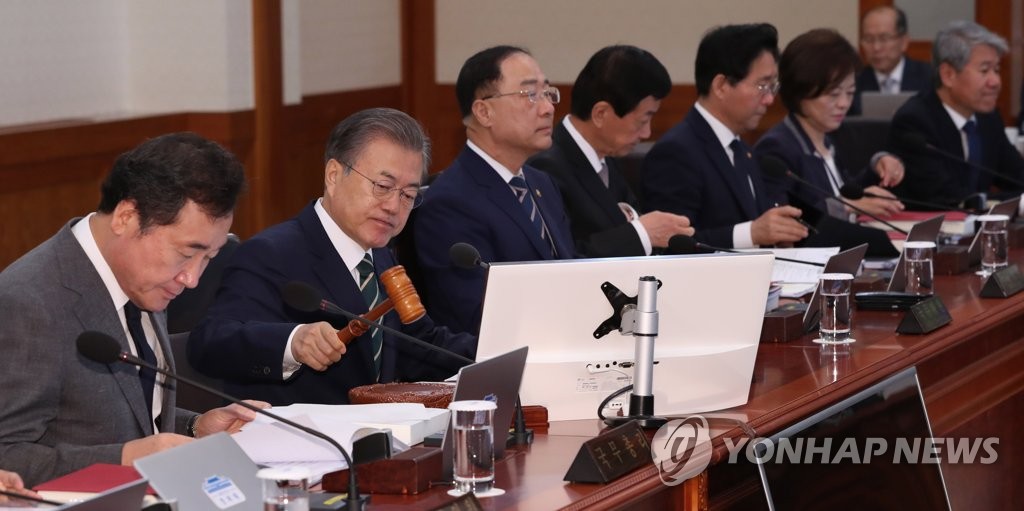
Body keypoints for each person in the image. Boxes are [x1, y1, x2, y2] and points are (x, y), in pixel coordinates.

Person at [0, 133, 262, 486]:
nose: (192, 278)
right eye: (186, 253)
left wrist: (196, 427)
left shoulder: (145, 278)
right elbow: (6, 454)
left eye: (208, 258)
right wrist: (125, 459)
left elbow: (126, 415)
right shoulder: (29, 304)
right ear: (126, 217)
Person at [188, 108, 476, 405]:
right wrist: (293, 342)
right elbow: (210, 343)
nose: (393, 206)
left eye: (408, 195)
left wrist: (498, 351)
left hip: (381, 428)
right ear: (334, 175)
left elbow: (420, 344)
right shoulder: (270, 253)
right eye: (383, 186)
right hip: (301, 431)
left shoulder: (380, 256)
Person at [414, 46, 575, 335]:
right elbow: (478, 314)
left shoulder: (542, 184)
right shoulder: (449, 204)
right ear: (484, 112)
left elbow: (570, 269)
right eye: (530, 94)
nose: (548, 108)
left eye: (548, 93)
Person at [642, 23, 808, 249]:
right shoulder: (675, 152)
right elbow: (672, 244)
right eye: (762, 86)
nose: (770, 99)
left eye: (773, 87)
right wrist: (751, 234)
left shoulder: (742, 149)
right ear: (721, 86)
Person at [527, 45, 693, 257]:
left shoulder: (607, 154)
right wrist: (642, 233)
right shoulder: (545, 166)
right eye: (642, 121)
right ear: (601, 113)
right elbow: (564, 255)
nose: (647, 133)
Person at [755, 28, 906, 220]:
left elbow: (845, 193)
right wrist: (847, 206)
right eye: (833, 94)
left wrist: (877, 168)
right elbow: (783, 221)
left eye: (850, 93)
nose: (844, 103)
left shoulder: (827, 139)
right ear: (800, 91)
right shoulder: (777, 149)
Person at [888, 21, 1024, 209]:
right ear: (948, 75)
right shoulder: (914, 121)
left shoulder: (988, 118)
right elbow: (947, 197)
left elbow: (1017, 176)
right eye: (984, 70)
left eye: (997, 70)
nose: (995, 81)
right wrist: (1018, 202)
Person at [850, 6, 933, 116]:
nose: (876, 47)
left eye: (884, 38)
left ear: (904, 42)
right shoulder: (854, 82)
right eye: (869, 39)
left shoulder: (929, 77)